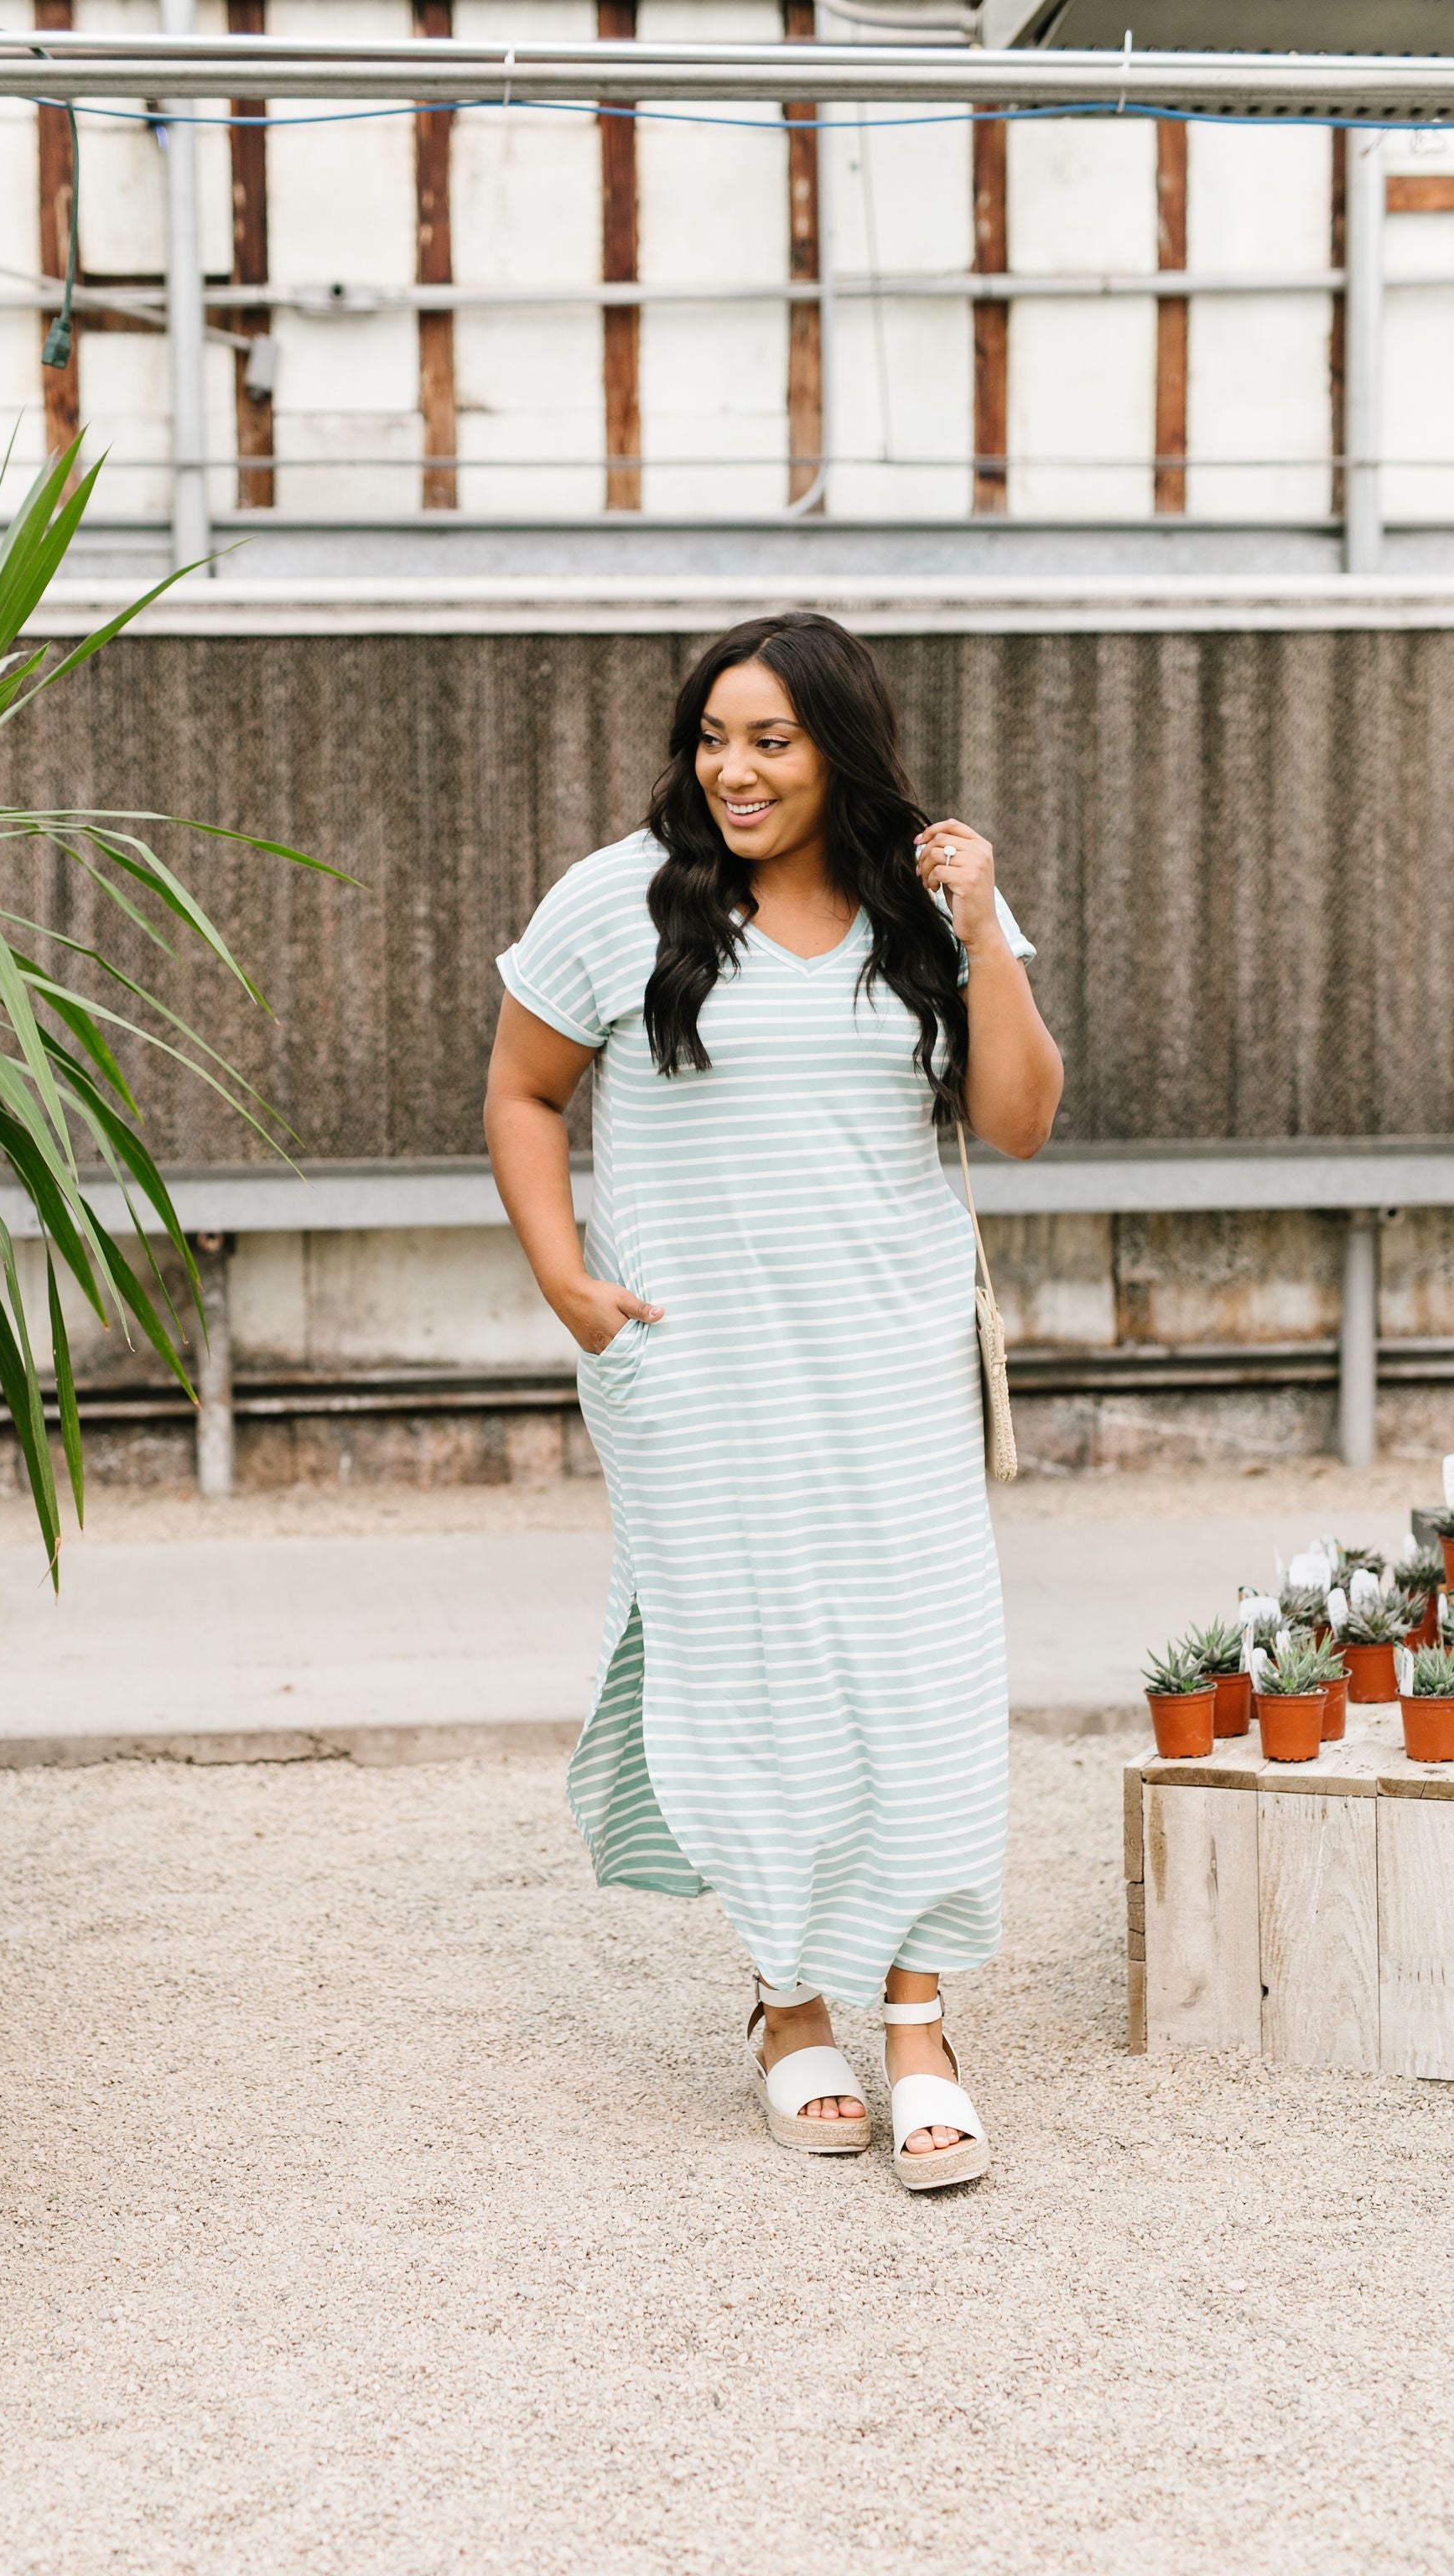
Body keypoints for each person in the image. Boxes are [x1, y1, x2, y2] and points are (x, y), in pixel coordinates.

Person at [484, 613, 1062, 2190]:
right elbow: (524, 1090)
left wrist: (981, 917)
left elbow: (1018, 1120)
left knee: (922, 1673)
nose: (732, 770)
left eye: (772, 742)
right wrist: (564, 1278)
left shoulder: (926, 900)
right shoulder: (621, 901)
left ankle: (920, 2017)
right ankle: (787, 1995)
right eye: (713, 739)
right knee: (751, 1679)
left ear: (840, 749)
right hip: (703, 1372)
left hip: (892, 1368)